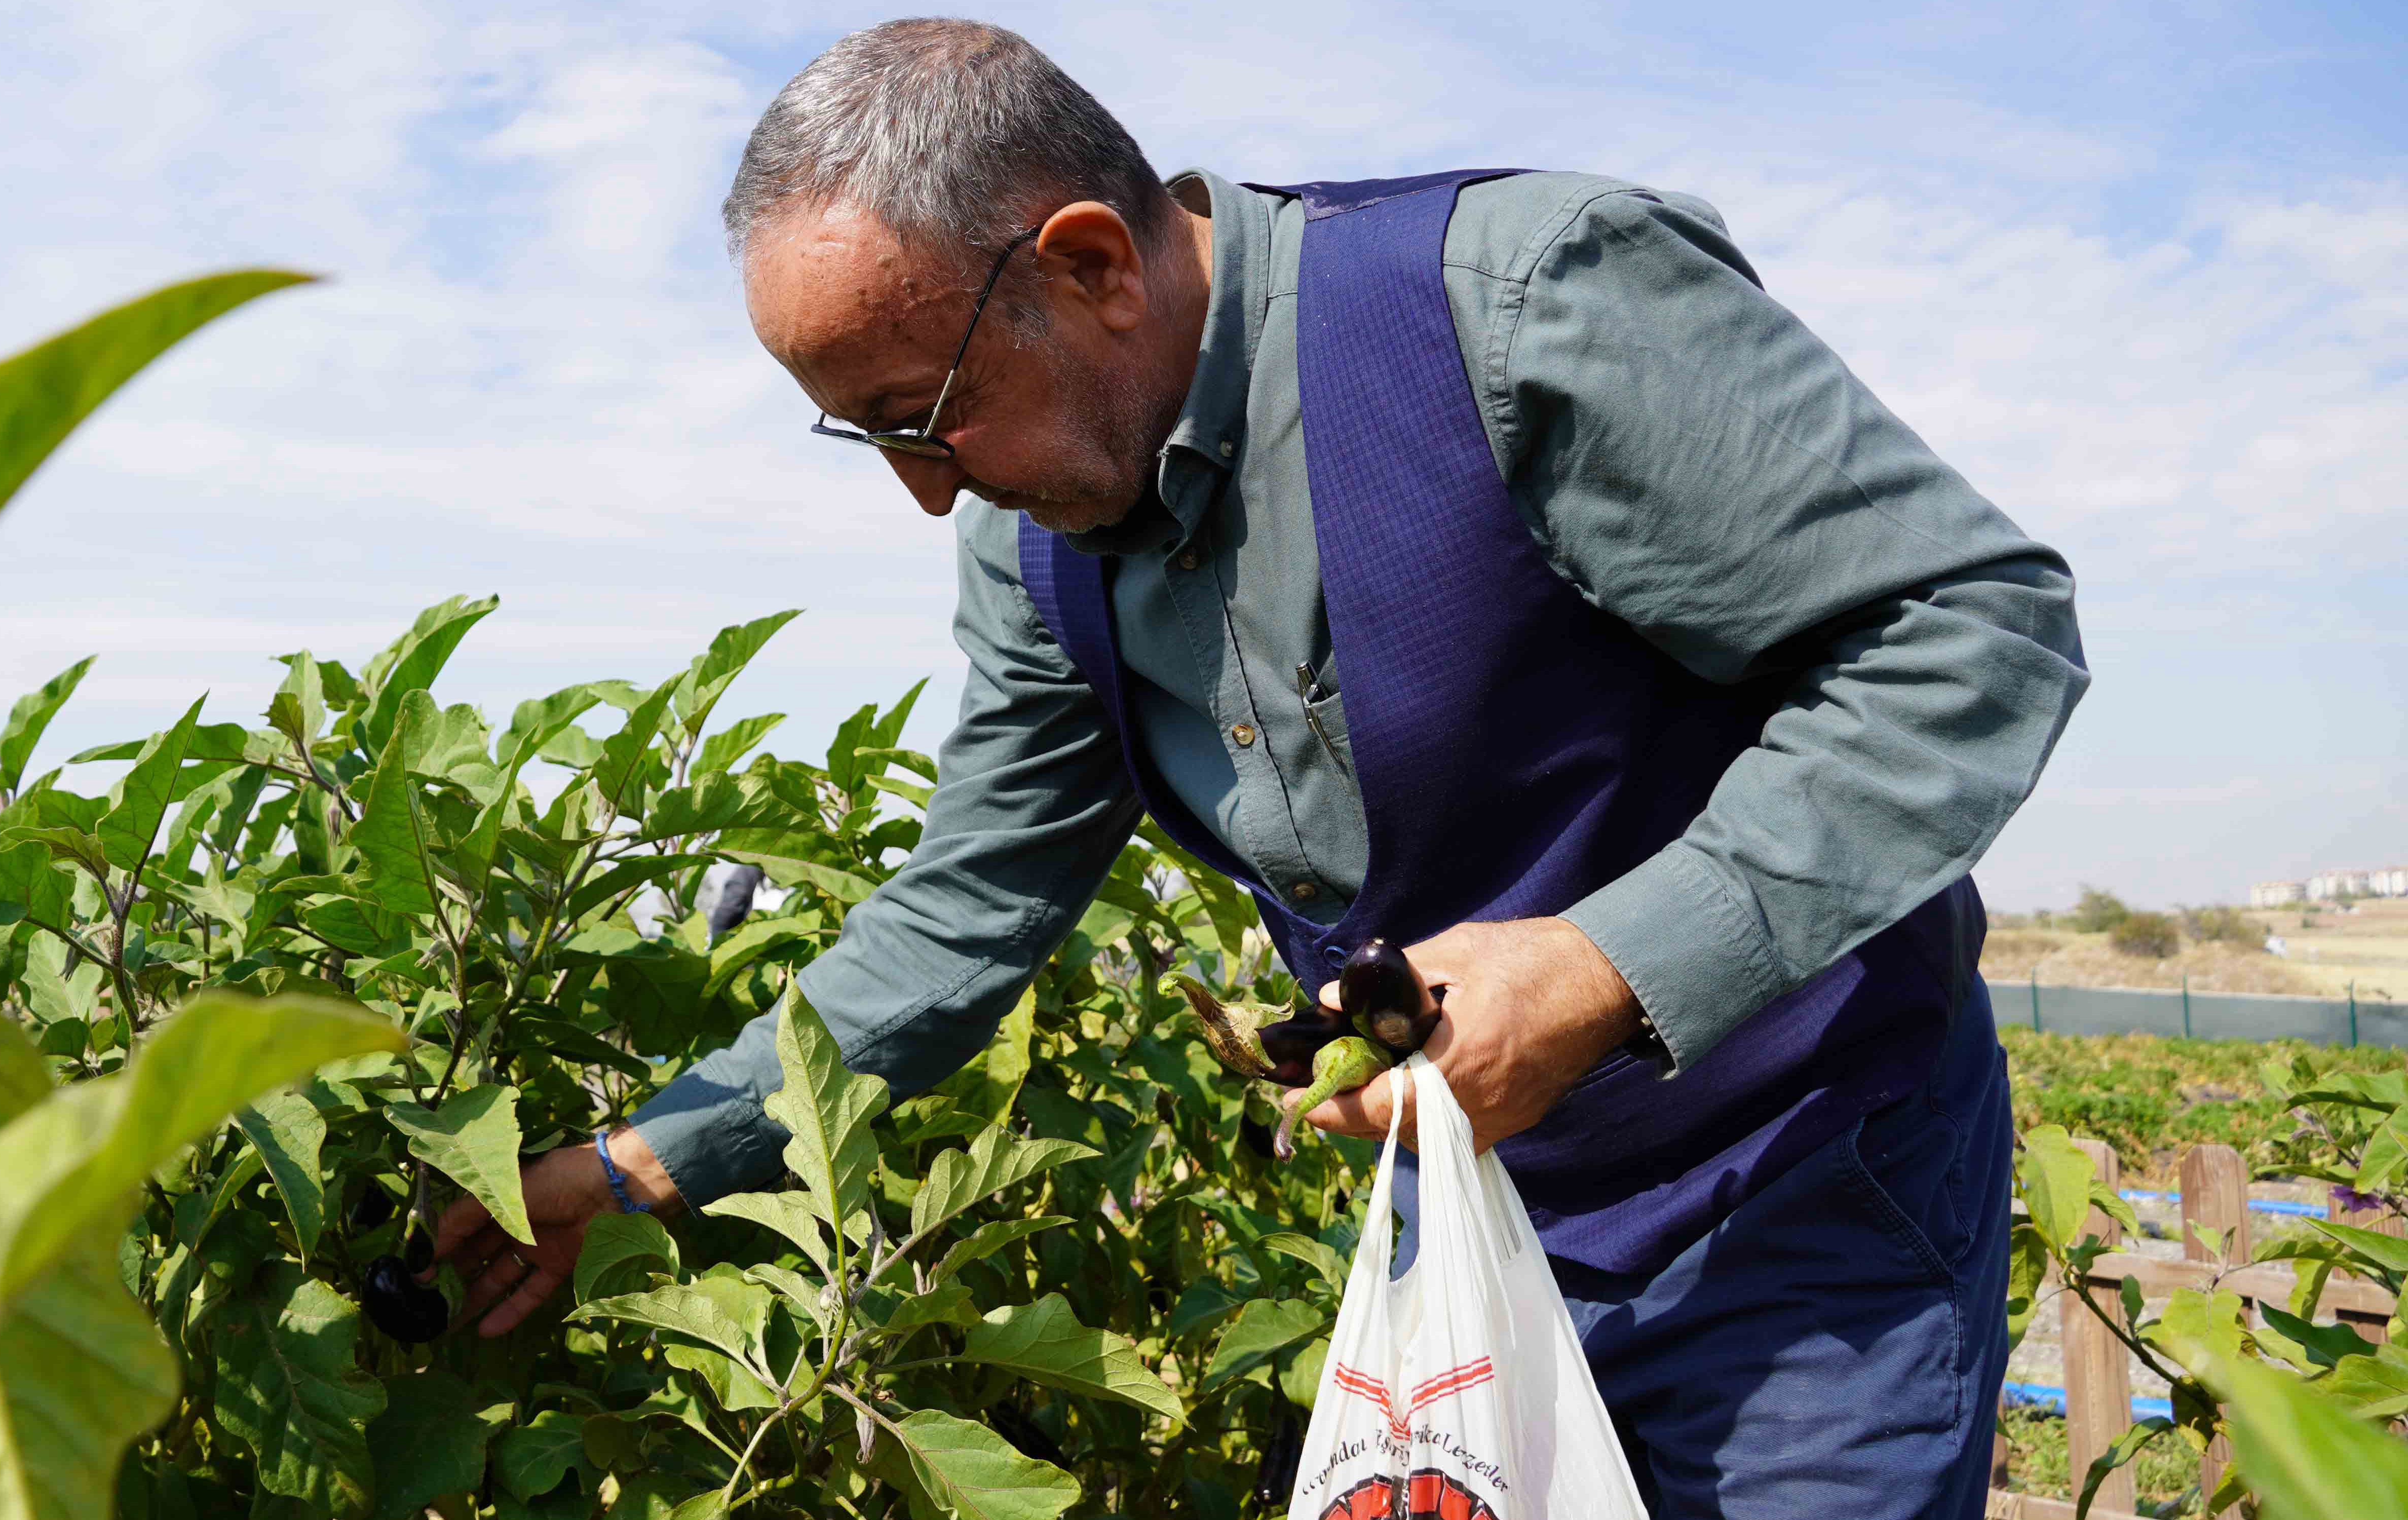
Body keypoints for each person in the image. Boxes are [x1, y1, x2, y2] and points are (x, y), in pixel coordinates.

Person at [435, 19, 2085, 1517]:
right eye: (868, 437)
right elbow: (965, 911)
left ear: (1094, 266)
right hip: (1473, 1223)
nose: (931, 496)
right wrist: (634, 1166)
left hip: (1793, 1195)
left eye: (926, 410)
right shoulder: (1039, 543)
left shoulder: (1512, 304)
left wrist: (1599, 970)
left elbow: (1969, 630)